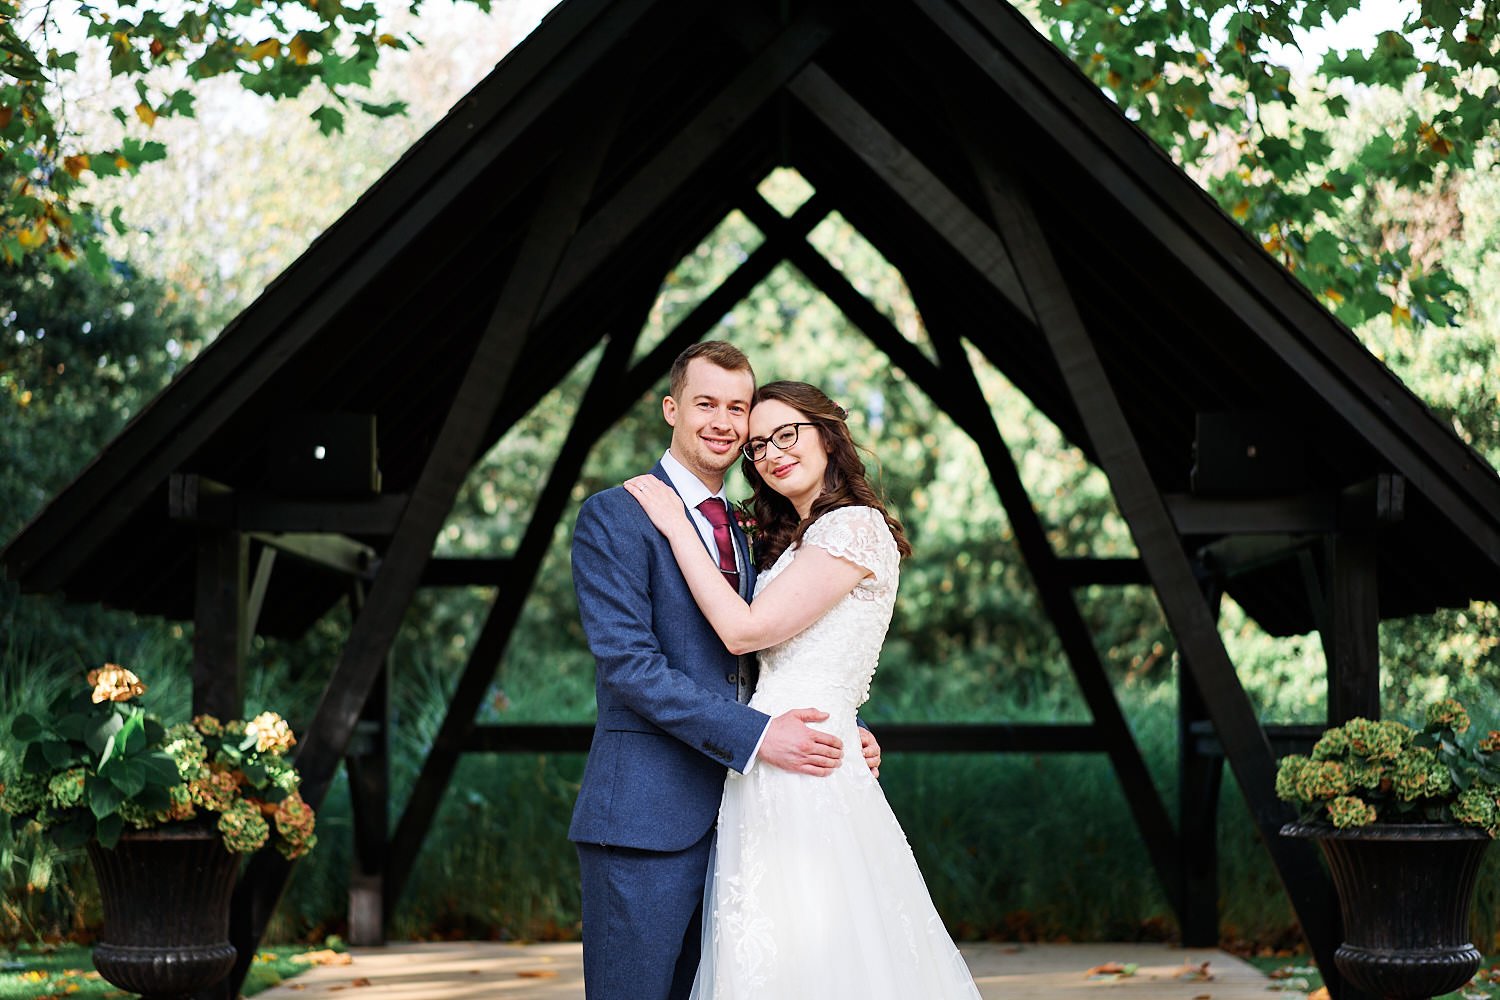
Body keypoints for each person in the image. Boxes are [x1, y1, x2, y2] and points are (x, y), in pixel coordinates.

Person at [623, 380, 983, 999]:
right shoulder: (798, 537)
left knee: (823, 950)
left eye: (787, 433)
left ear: (827, 434)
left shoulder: (855, 527)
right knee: (769, 952)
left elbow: (744, 633)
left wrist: (675, 526)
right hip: (765, 762)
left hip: (805, 773)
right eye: (758, 445)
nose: (771, 453)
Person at [569, 343, 882, 1000]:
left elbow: (788, 644)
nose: (722, 421)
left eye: (736, 408)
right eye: (705, 403)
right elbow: (631, 669)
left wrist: (840, 726)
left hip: (754, 820)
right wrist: (763, 735)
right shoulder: (616, 515)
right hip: (646, 820)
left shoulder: (754, 525)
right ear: (671, 409)